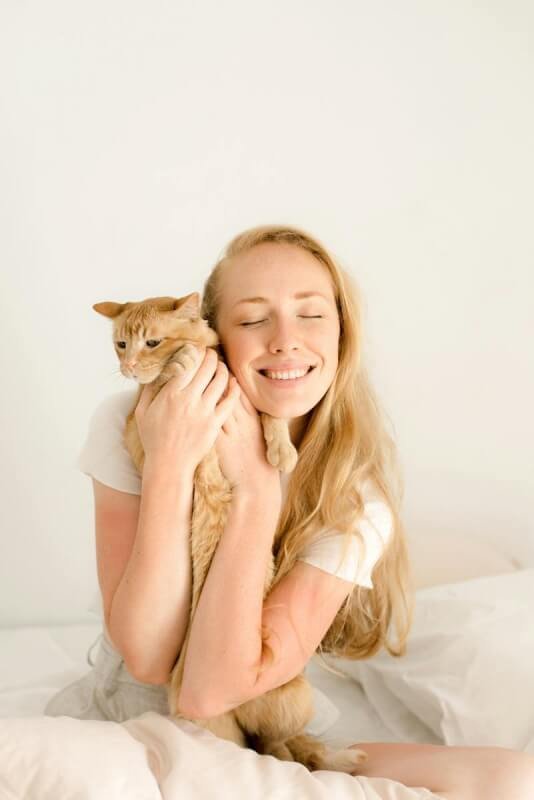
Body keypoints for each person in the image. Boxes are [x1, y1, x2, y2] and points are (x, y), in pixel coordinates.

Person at [46, 224, 534, 799]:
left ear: (342, 335)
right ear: (213, 338)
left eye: (311, 315)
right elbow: (155, 663)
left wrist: (256, 487)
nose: (284, 340)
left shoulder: (353, 497)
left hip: (267, 721)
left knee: (513, 778)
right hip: (142, 714)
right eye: (253, 320)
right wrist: (170, 462)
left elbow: (223, 685)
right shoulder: (129, 423)